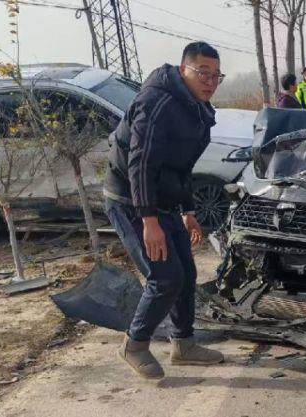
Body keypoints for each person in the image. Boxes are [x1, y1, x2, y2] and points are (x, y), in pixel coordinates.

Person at [104, 41, 225, 380]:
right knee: (165, 276)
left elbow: (182, 165)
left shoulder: (197, 108)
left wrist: (187, 210)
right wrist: (149, 221)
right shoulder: (156, 102)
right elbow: (140, 163)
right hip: (131, 200)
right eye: (203, 72)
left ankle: (183, 344)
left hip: (163, 199)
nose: (210, 82)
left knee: (186, 273)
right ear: (183, 69)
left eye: (216, 75)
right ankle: (134, 344)